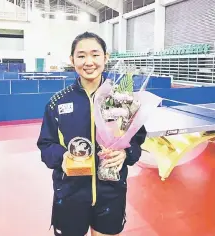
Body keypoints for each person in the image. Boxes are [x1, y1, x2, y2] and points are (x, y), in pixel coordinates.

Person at [37, 31, 147, 236]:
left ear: (106, 57)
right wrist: (64, 158)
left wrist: (125, 154)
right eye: (81, 55)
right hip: (69, 194)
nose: (89, 62)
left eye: (95, 54)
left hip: (111, 193)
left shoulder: (122, 99)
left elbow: (137, 141)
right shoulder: (57, 102)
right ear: (72, 60)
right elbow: (45, 144)